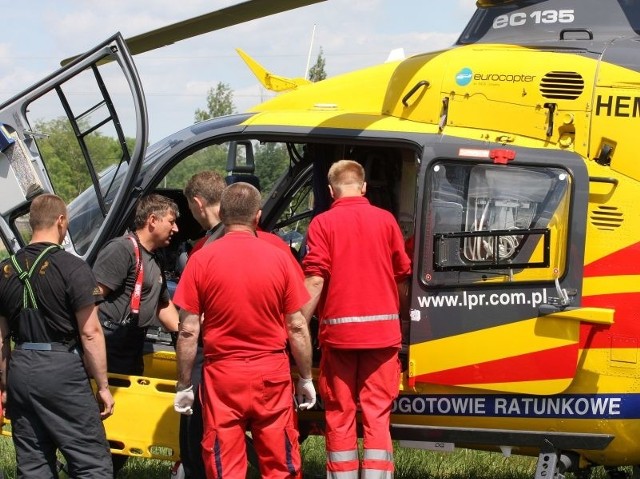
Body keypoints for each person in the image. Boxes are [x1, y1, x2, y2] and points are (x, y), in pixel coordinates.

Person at [173, 182, 316, 479]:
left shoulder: (200, 259)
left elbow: (188, 331)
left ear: (222, 213)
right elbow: (298, 325)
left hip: (222, 375)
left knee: (225, 465)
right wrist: (305, 377)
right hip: (272, 373)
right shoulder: (279, 255)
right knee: (281, 464)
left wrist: (185, 384)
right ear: (258, 215)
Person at [301, 159, 412, 479]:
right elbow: (402, 273)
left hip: (340, 338)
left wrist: (296, 326)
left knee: (339, 414)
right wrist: (404, 319)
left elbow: (316, 278)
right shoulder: (386, 221)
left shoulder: (322, 224)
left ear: (330, 189)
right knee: (377, 415)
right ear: (363, 187)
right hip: (382, 335)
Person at [0, 193, 115, 478]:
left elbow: (1, 338)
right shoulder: (73, 267)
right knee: (91, 463)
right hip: (60, 369)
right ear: (61, 221)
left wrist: (4, 384)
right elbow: (90, 333)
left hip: (20, 368)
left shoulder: (4, 270)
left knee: (33, 464)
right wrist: (102, 385)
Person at [92, 193, 180, 476]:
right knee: (102, 425)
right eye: (171, 221)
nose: (176, 228)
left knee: (120, 430)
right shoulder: (122, 250)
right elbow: (90, 299)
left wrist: (186, 335)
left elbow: (163, 305)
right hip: (110, 348)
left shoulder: (153, 259)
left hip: (132, 348)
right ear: (152, 221)